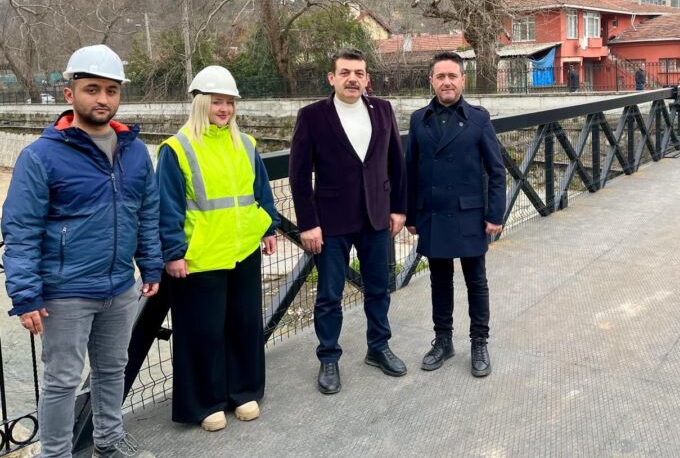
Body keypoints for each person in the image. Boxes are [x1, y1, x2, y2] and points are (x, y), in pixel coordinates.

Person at [1, 44, 161, 458]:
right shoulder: (41, 156)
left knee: (112, 368)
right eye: (92, 89)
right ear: (70, 94)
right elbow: (21, 229)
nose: (102, 99)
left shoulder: (134, 151)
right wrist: (26, 294)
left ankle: (108, 441)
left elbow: (146, 212)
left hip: (120, 286)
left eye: (111, 90)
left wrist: (151, 265)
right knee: (61, 380)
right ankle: (56, 454)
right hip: (65, 292)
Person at [156, 65, 279, 432]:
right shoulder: (177, 148)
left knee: (244, 324)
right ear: (200, 103)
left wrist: (268, 228)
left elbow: (261, 191)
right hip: (201, 255)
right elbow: (167, 205)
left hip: (243, 250)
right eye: (217, 102)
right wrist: (173, 252)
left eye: (229, 102)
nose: (224, 109)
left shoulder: (246, 144)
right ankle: (206, 402)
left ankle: (244, 391)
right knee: (203, 331)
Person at [289, 48, 407, 395]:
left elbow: (396, 162)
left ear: (367, 78)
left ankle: (378, 347)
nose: (352, 79)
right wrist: (307, 224)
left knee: (379, 288)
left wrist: (399, 208)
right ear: (332, 78)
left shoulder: (382, 109)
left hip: (376, 216)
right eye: (345, 73)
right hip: (331, 222)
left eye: (358, 73)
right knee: (329, 295)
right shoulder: (312, 116)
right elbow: (298, 175)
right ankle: (328, 358)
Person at [405, 51, 506, 377]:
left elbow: (496, 170)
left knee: (476, 281)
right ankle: (443, 341)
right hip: (433, 214)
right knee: (439, 281)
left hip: (469, 215)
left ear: (463, 79)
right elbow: (410, 171)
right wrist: (410, 215)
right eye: (440, 76)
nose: (446, 82)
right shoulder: (418, 120)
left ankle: (479, 342)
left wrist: (495, 214)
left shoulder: (479, 118)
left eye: (452, 76)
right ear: (431, 81)